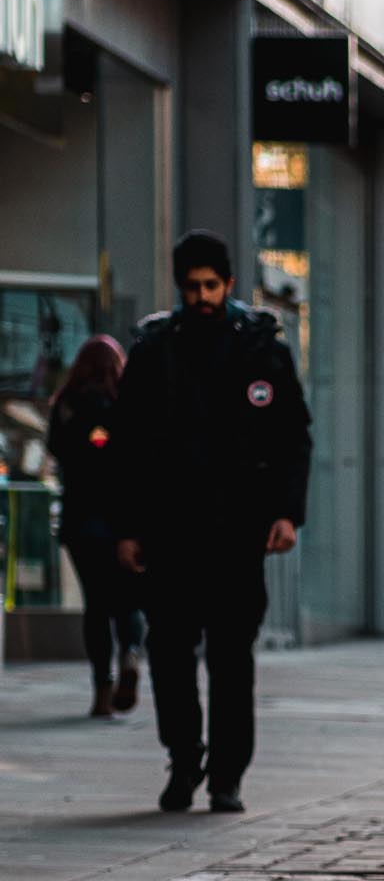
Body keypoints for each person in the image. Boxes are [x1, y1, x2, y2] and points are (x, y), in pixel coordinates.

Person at [112, 231, 312, 814]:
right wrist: (128, 527)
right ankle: (183, 759)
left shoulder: (261, 348)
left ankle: (227, 775)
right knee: (170, 655)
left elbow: (292, 437)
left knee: (231, 658)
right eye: (191, 287)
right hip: (169, 532)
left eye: (210, 285)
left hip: (237, 531)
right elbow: (127, 446)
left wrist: (286, 512)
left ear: (228, 284)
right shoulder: (155, 349)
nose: (201, 296)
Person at [49, 336, 146, 718]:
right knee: (128, 600)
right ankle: (131, 653)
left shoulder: (66, 405)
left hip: (81, 520)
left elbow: (56, 450)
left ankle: (102, 690)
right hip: (124, 520)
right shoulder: (128, 404)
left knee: (96, 605)